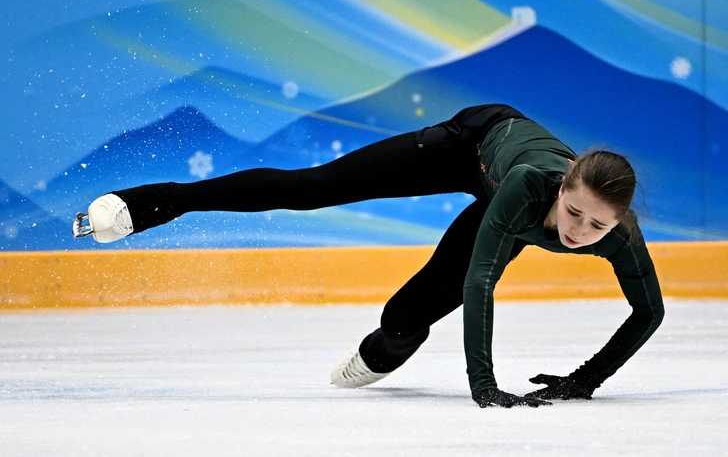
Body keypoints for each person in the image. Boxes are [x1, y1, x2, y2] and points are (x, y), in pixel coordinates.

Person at [73, 104, 665, 408]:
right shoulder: (528, 189)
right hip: (468, 144)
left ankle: (378, 352)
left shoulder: (617, 235)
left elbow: (648, 313)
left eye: (598, 224)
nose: (580, 231)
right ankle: (150, 204)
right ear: (561, 189)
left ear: (619, 222)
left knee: (407, 317)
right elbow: (482, 280)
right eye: (573, 214)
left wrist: (582, 382)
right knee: (312, 188)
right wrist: (483, 385)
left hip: (500, 189)